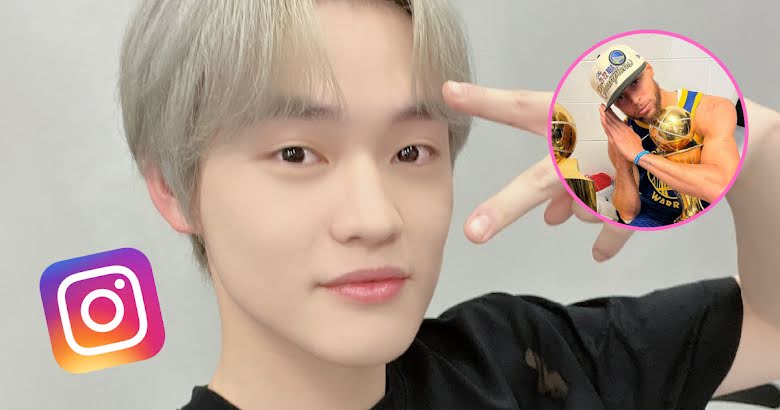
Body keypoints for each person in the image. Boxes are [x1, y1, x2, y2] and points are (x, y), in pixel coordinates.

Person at [117, 1, 780, 408]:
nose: (375, 219)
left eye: (411, 151)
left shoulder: (524, 363)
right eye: (295, 154)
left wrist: (754, 148)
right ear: (173, 189)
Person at [589, 45, 741, 227]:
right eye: (621, 98)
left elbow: (720, 187)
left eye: (635, 83)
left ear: (649, 69)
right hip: (654, 214)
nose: (635, 100)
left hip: (706, 209)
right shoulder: (624, 136)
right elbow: (627, 214)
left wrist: (640, 156)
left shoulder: (709, 110)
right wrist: (622, 160)